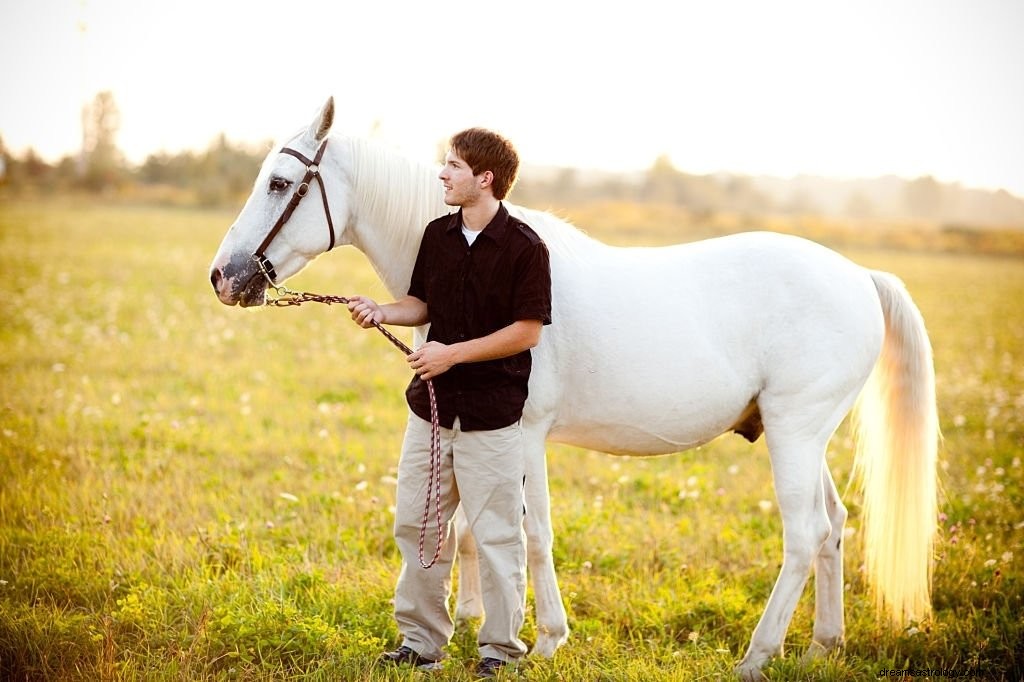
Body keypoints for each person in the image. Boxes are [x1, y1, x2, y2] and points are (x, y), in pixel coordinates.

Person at [347, 128, 552, 678]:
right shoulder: (437, 235)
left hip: (491, 418)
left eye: (453, 165)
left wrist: (451, 355)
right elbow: (422, 303)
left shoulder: (527, 248)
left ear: (485, 179)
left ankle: (500, 651)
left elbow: (527, 331)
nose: (442, 173)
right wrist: (382, 311)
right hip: (431, 412)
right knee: (418, 526)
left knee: (497, 536)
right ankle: (420, 642)